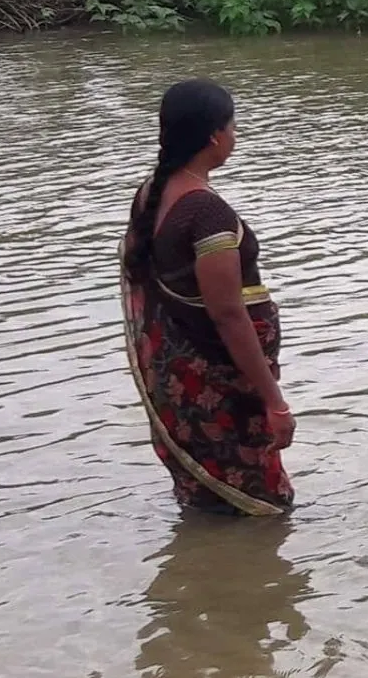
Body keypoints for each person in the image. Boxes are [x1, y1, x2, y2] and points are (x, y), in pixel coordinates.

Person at [119, 78, 295, 515]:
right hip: (221, 387)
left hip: (180, 389)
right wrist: (274, 401)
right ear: (215, 136)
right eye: (233, 126)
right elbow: (228, 316)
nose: (236, 135)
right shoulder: (206, 212)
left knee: (207, 506)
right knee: (264, 509)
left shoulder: (150, 193)